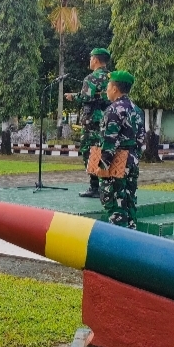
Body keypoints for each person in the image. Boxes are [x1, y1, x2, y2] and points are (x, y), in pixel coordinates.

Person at [98, 70, 142, 229]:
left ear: (115, 89)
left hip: (117, 162)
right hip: (132, 161)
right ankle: (132, 237)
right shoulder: (137, 110)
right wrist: (133, 159)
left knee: (115, 205)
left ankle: (119, 240)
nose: (106, 90)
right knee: (129, 203)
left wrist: (103, 166)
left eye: (108, 87)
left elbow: (109, 141)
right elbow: (140, 140)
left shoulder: (113, 110)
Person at [65, 47, 112, 198]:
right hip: (108, 120)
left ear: (96, 60)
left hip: (92, 122)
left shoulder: (91, 78)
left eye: (91, 58)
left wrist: (73, 97)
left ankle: (94, 187)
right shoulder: (112, 78)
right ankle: (107, 186)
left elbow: (86, 97)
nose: (90, 60)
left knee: (89, 152)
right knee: (104, 151)